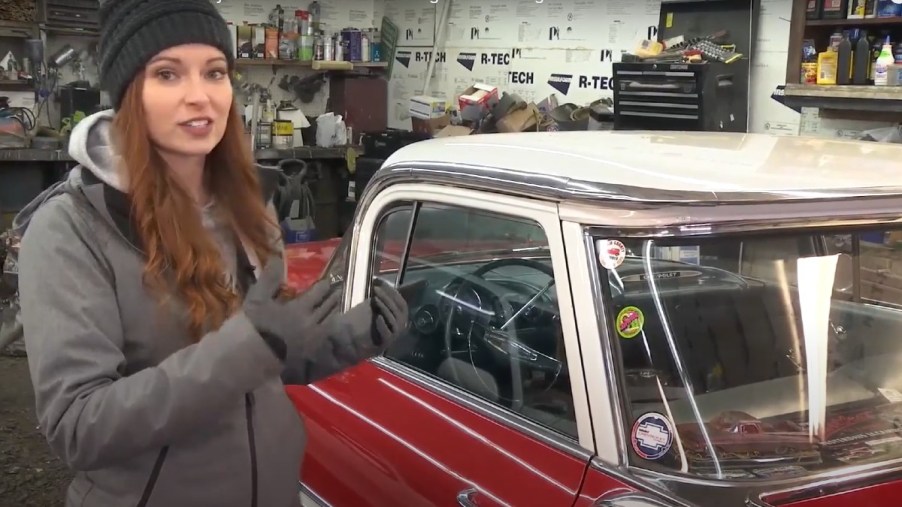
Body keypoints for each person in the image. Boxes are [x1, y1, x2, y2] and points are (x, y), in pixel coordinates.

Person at [12, 0, 408, 505]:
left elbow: (265, 363)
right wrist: (254, 345)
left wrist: (353, 334)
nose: (199, 96)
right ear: (130, 93)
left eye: (215, 72)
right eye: (168, 74)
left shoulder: (249, 209)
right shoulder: (72, 230)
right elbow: (78, 426)